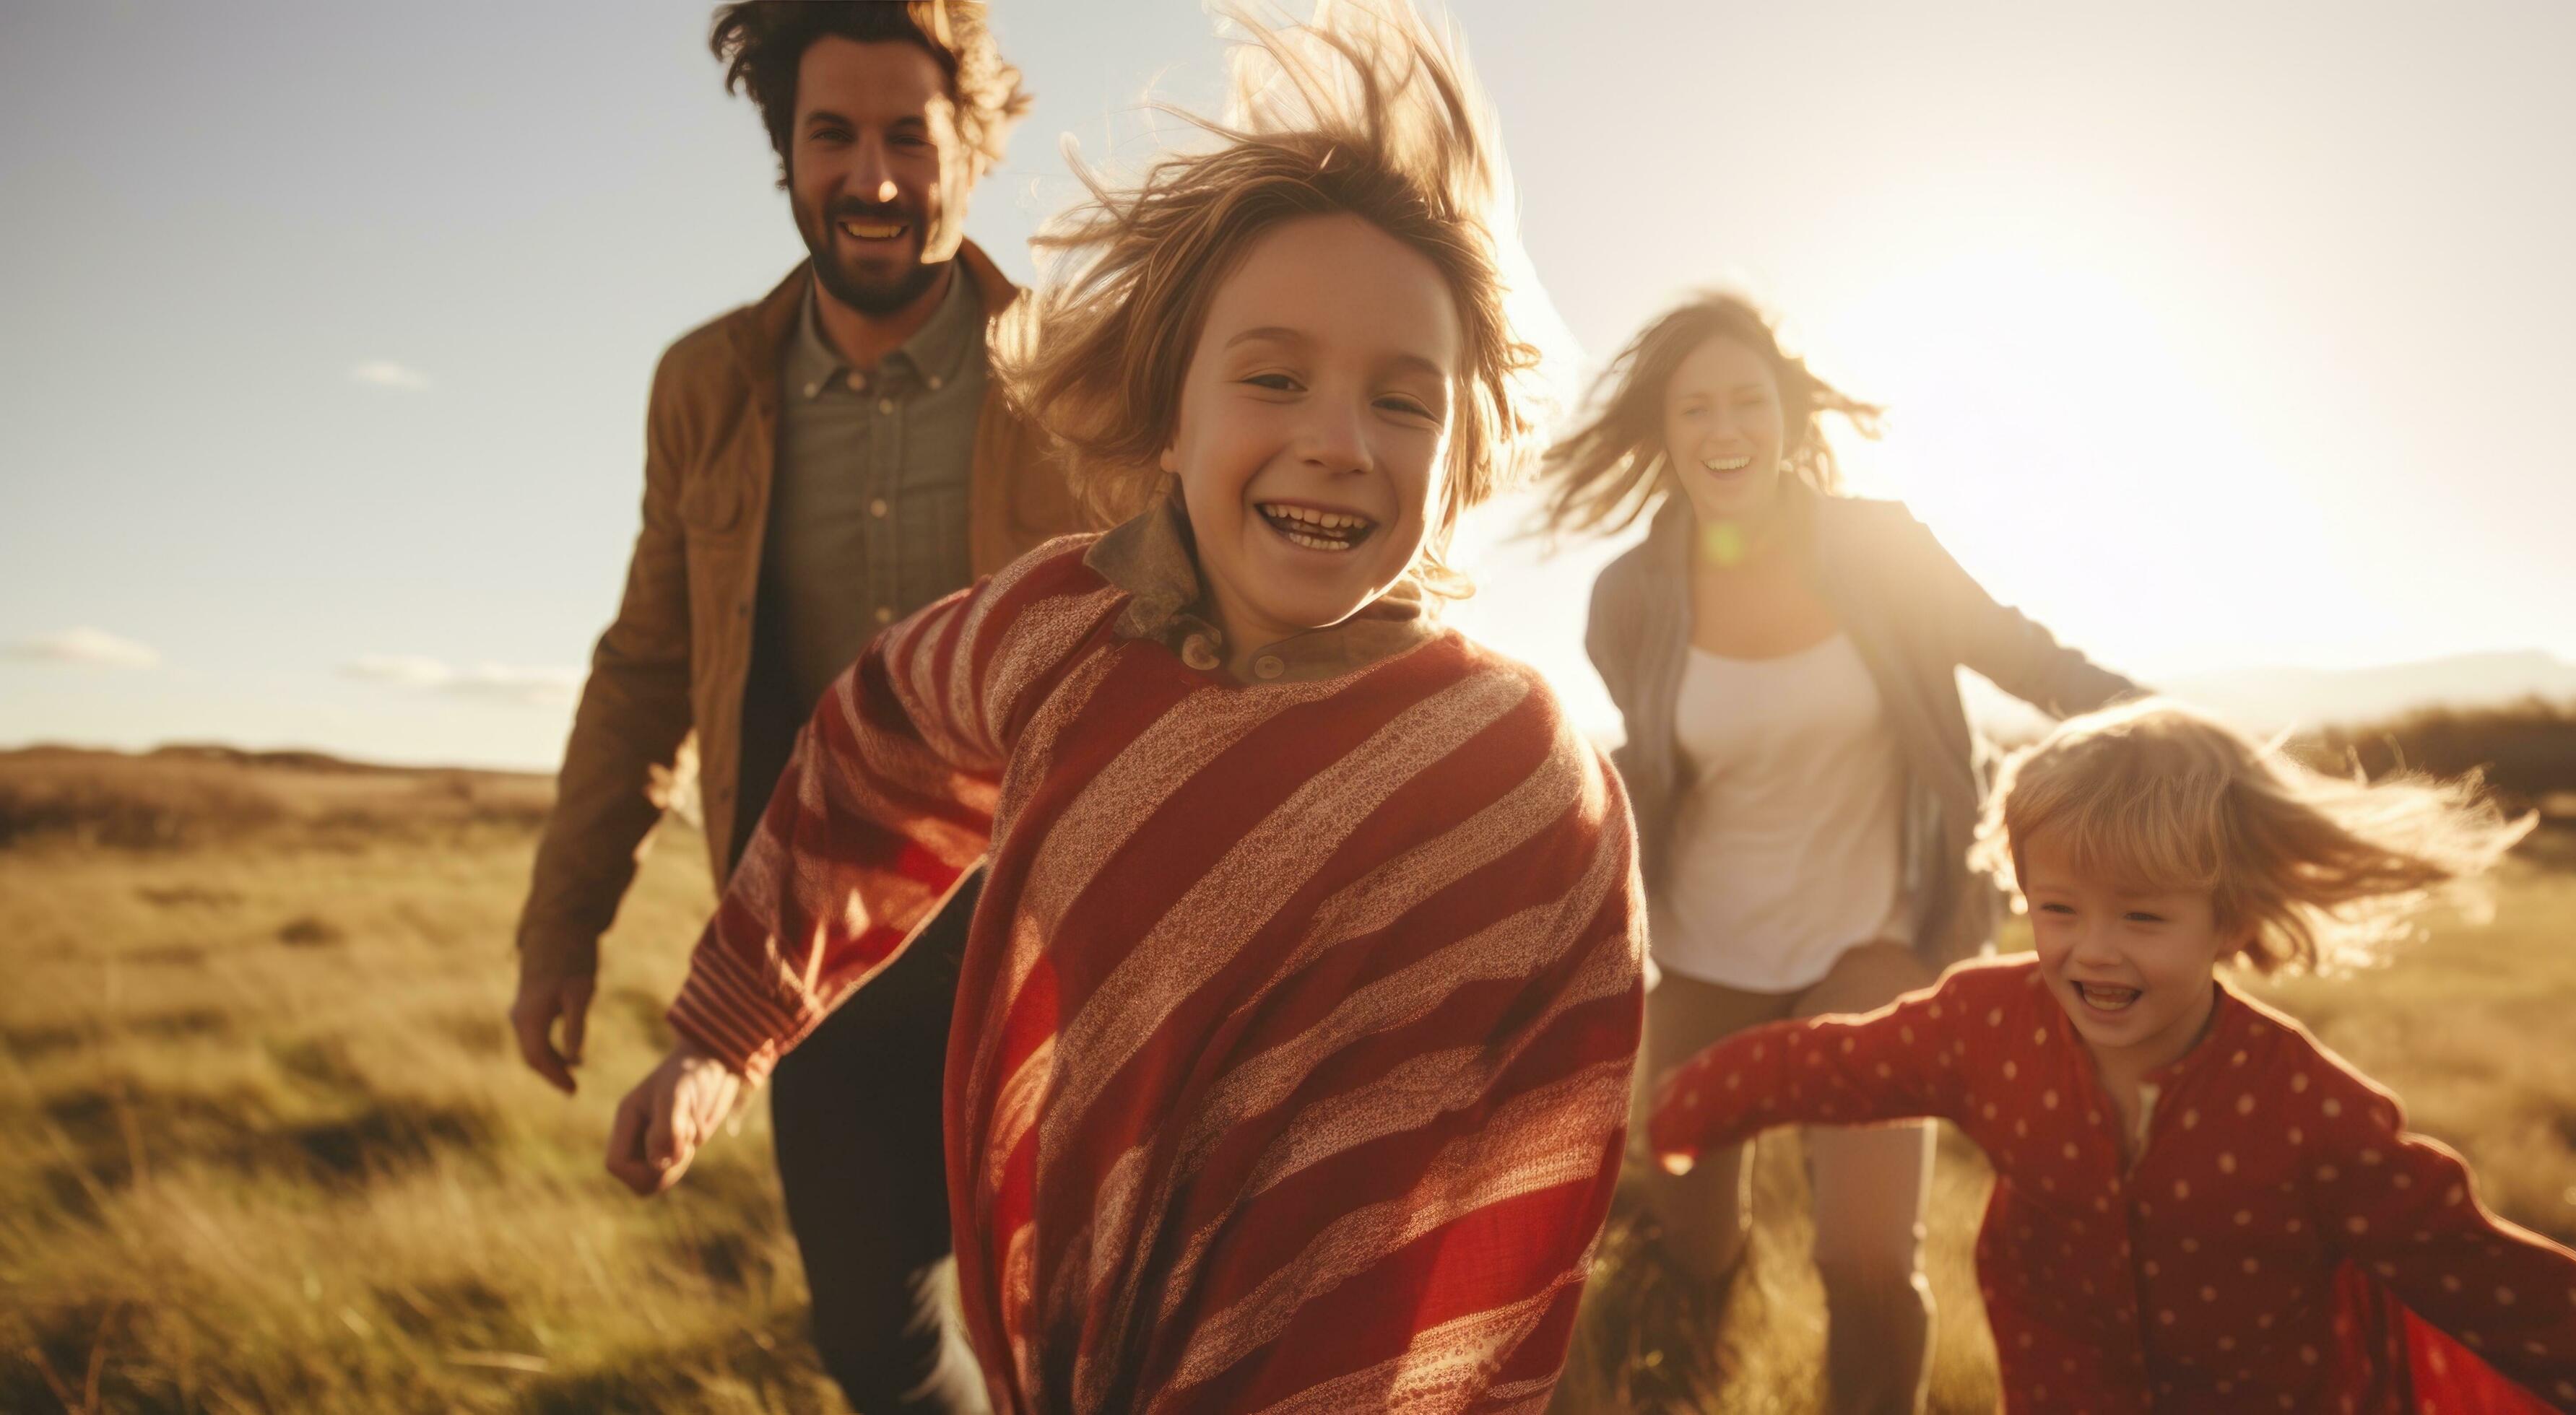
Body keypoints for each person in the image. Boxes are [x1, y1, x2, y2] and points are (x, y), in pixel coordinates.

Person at [602, 4, 1647, 1411]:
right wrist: (728, 1029)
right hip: (1085, 1350)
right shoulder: (1054, 639)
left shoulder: (1514, 765)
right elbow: (869, 751)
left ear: (1461, 457)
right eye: (1272, 377)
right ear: (1171, 412)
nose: (1336, 440)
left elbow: (1542, 1135)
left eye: (1404, 403)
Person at [506, 4, 1077, 1409]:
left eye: (907, 136)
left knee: (1069, 1341)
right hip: (812, 943)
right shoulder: (704, 387)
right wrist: (559, 923)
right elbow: (646, 665)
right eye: (833, 135)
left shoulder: (1076, 371)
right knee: (869, 1338)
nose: (871, 178)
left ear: (969, 149)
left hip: (1041, 949)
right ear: (784, 151)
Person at [1650, 698, 2576, 1414]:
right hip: (2065, 1394)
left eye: (2142, 917)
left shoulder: (2305, 1112)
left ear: (2226, 920)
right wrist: (1682, 1108)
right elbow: (1837, 1066)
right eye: (2057, 909)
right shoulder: (1986, 1028)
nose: (2092, 948)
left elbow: (2481, 1268)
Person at [1546, 292, 2139, 1411]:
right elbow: (1651, 758)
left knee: (1867, 1260)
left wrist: (2162, 724)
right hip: (1703, 949)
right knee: (1697, 1246)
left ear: (1786, 417)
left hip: (1871, 938)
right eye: (1695, 407)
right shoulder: (1627, 599)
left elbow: (2022, 653)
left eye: (1746, 401)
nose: (1724, 428)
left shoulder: (1878, 550)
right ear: (1665, 433)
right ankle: (1697, 1380)